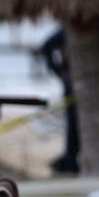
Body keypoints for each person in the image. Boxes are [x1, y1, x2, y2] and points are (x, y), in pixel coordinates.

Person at [34, 28, 79, 174]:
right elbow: (46, 47)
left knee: (78, 126)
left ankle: (72, 161)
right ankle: (71, 164)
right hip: (74, 81)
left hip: (87, 82)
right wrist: (58, 70)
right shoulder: (69, 30)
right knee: (73, 125)